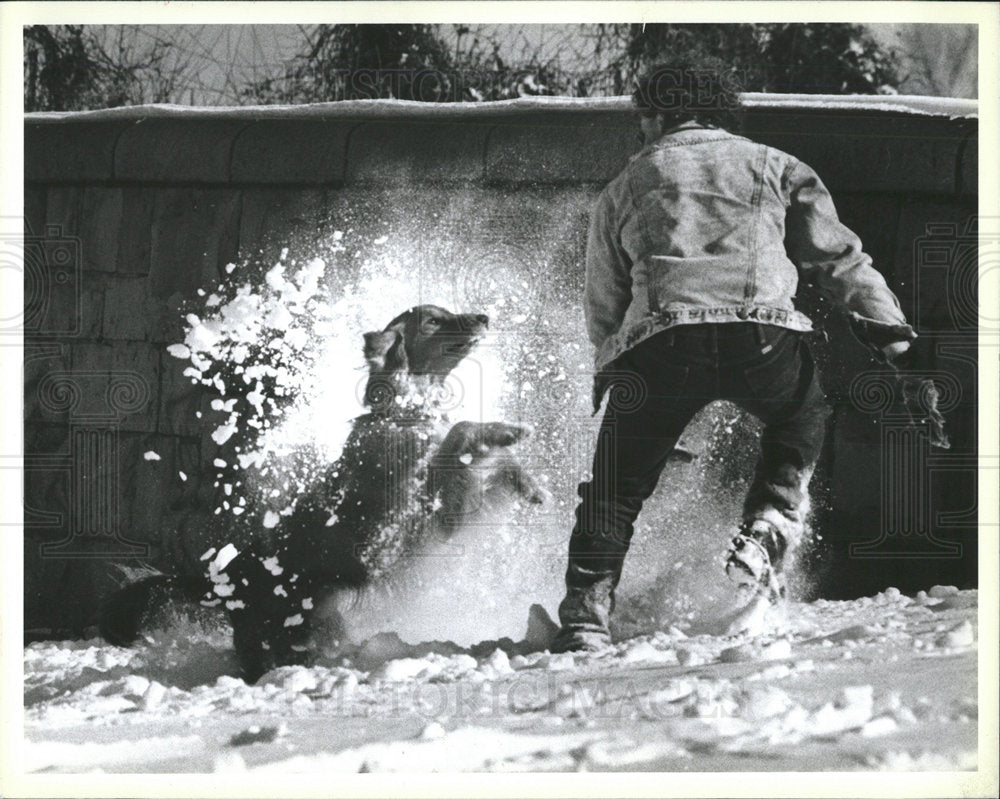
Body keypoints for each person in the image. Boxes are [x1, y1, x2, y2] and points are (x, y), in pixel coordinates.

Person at [551, 58, 917, 653]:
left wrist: (614, 375)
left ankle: (585, 616)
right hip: (763, 337)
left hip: (659, 345)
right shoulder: (778, 166)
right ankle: (770, 516)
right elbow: (837, 261)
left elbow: (606, 303)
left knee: (615, 489)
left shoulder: (625, 185)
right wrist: (890, 331)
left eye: (643, 119)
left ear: (655, 116)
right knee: (802, 415)